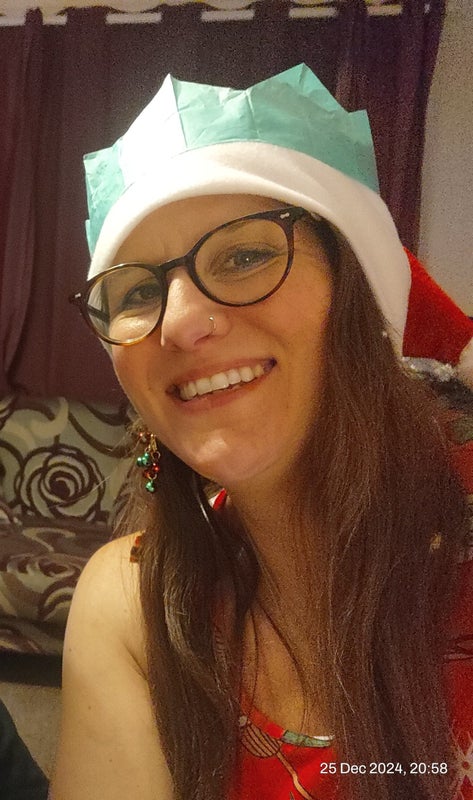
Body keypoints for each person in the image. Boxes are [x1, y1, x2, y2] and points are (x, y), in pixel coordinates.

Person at [50, 65, 472, 800]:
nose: (181, 322)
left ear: (354, 285)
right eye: (137, 289)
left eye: (245, 255)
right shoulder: (136, 606)